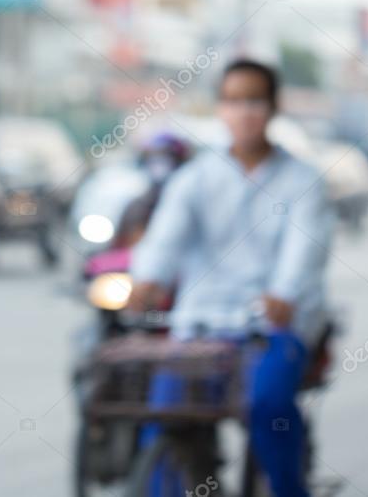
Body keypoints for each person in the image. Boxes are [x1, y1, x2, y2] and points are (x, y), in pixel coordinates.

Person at [127, 59, 331, 497]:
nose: (245, 112)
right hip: (201, 325)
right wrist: (145, 281)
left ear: (274, 107)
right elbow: (164, 239)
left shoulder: (303, 181)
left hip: (273, 326)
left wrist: (285, 293)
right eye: (234, 101)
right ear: (220, 109)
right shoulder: (194, 178)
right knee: (163, 414)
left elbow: (304, 250)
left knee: (270, 407)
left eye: (255, 100)